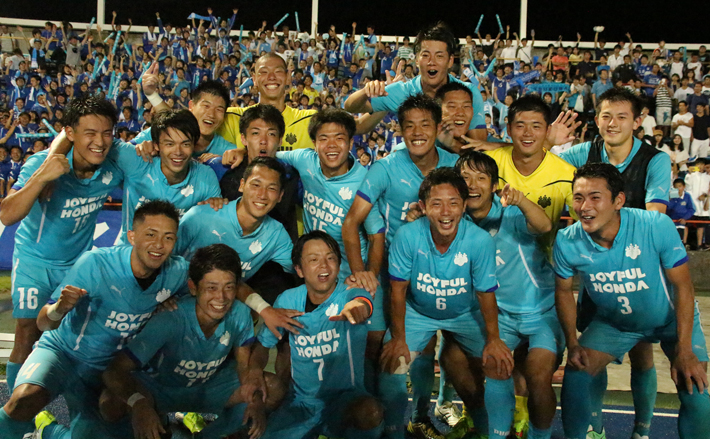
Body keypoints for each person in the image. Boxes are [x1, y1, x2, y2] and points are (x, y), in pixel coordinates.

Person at [0, 201, 190, 438]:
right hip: (64, 354)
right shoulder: (96, 263)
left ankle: (47, 430)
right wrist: (59, 308)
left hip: (112, 368)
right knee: (24, 399)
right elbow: (43, 323)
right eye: (150, 234)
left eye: (168, 237)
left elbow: (204, 293)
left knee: (108, 427)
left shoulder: (178, 272)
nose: (159, 245)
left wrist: (177, 302)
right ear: (131, 236)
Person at [554, 163, 710, 439]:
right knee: (576, 373)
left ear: (618, 201)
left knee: (694, 388)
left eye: (595, 197)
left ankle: (643, 430)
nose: (584, 206)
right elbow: (564, 292)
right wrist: (572, 343)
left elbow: (683, 287)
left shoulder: (655, 225)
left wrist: (685, 349)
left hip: (670, 320)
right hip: (615, 324)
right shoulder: (566, 240)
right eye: (578, 198)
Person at [557, 87, 671, 438]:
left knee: (642, 354)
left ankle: (642, 429)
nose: (613, 123)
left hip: (639, 270)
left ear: (637, 121)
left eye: (622, 116)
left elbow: (656, 215)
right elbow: (538, 163)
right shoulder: (583, 152)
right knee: (594, 352)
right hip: (598, 271)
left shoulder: (654, 160)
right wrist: (549, 142)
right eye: (606, 116)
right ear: (596, 119)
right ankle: (596, 427)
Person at [0, 95, 125, 393]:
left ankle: (77, 408)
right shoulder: (41, 163)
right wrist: (42, 176)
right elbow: (7, 214)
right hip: (34, 262)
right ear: (70, 133)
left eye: (106, 133)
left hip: (77, 265)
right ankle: (18, 411)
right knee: (27, 332)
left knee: (76, 337)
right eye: (90, 133)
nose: (99, 142)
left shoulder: (114, 164)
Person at [377, 167, 508, 439]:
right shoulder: (407, 236)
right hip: (418, 311)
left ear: (464, 205)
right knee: (392, 362)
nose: (446, 212)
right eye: (436, 203)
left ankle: (491, 432)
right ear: (423, 207)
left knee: (498, 363)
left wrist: (494, 339)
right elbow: (398, 291)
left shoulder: (480, 241)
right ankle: (393, 433)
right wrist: (398, 338)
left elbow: (486, 294)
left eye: (453, 203)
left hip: (465, 313)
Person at [99, 244, 266, 439]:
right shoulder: (170, 319)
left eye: (229, 287)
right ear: (193, 288)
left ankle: (211, 430)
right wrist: (139, 403)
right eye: (211, 288)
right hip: (161, 389)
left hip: (208, 387)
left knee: (271, 388)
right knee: (109, 403)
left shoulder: (240, 313)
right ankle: (162, 423)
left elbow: (244, 367)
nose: (221, 297)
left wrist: (255, 400)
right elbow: (114, 370)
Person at [457, 150, 561, 439]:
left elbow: (544, 225)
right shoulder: (457, 223)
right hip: (500, 316)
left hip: (541, 313)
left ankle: (540, 437)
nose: (472, 185)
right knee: (494, 366)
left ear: (494, 186)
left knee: (538, 375)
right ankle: (496, 434)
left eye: (481, 178)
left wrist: (521, 200)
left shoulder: (511, 213)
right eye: (465, 178)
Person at [246, 231, 383, 439]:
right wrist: (254, 370)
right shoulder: (287, 301)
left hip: (345, 400)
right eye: (313, 260)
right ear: (299, 270)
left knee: (369, 412)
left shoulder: (350, 293)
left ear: (339, 264)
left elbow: (363, 302)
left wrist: (358, 308)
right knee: (263, 386)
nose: (324, 266)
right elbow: (263, 346)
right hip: (301, 403)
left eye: (330, 258)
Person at [344, 22, 486, 141]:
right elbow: (351, 107)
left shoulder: (469, 93)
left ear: (450, 61)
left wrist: (448, 141)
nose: (432, 62)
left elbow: (478, 146)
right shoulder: (402, 91)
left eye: (439, 56)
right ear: (416, 60)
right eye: (426, 55)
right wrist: (366, 91)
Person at [219, 105, 300, 241]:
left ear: (280, 140)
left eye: (271, 134)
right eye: (256, 133)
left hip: (280, 250)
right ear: (243, 139)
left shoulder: (292, 176)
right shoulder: (226, 173)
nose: (263, 141)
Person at [219, 53, 317, 151]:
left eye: (278, 71)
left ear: (288, 77)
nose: (271, 77)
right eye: (264, 72)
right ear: (254, 79)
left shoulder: (310, 120)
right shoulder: (233, 118)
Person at [133, 69, 235, 163]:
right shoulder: (162, 131)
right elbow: (126, 150)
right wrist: (140, 148)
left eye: (219, 110)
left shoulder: (228, 152)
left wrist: (219, 164)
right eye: (206, 106)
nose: (211, 114)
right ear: (191, 106)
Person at [668, 178, 696, 247]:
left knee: (680, 241)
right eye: (676, 187)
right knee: (671, 241)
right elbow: (668, 208)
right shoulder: (671, 196)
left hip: (681, 223)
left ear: (684, 187)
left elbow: (692, 209)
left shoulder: (687, 196)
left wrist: (685, 218)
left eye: (680, 186)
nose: (678, 189)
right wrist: (672, 199)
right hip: (671, 222)